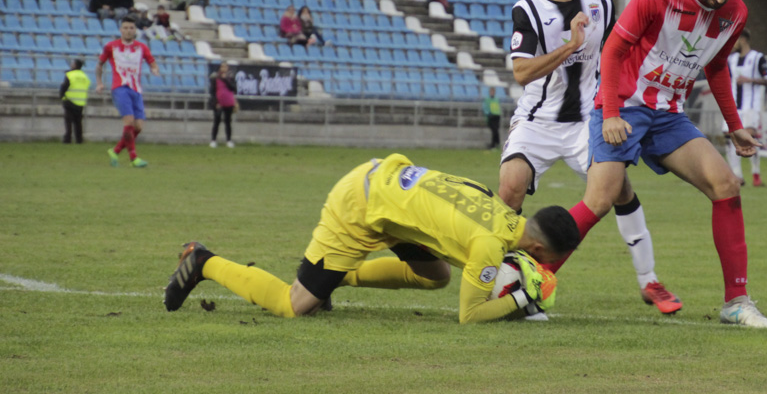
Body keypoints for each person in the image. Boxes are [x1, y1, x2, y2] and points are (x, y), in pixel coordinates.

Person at [550, 0, 767, 328]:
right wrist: (613, 113)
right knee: (600, 199)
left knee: (726, 185)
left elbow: (717, 67)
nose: (720, 0)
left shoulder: (736, 13)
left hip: (669, 114)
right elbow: (613, 51)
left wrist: (735, 127)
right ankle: (532, 276)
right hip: (624, 107)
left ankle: (736, 302)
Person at [163, 154, 579, 323]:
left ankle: (336, 278)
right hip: (360, 205)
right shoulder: (490, 246)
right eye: (546, 262)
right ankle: (203, 261)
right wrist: (524, 299)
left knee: (434, 274)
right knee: (295, 305)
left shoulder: (498, 208)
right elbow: (469, 316)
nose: (543, 267)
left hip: (389, 186)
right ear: (538, 250)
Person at [502, 0, 681, 315]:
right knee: (510, 188)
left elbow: (618, 54)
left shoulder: (601, 4)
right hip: (537, 120)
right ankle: (503, 283)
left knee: (619, 189)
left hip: (588, 118)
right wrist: (570, 46)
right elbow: (521, 73)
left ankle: (649, 281)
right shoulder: (528, 10)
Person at [96, 16, 159, 169]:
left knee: (138, 127)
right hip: (120, 88)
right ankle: (133, 158)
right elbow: (99, 65)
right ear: (120, 30)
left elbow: (151, 61)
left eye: (131, 28)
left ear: (135, 30)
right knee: (129, 122)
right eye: (125, 28)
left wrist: (154, 68)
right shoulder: (111, 46)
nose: (128, 30)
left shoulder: (142, 47)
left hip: (136, 89)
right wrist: (99, 83)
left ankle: (115, 150)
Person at [724, 29, 767, 186]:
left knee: (750, 138)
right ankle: (738, 176)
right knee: (729, 138)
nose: (733, 43)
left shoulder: (757, 58)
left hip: (751, 105)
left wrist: (749, 79)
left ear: (743, 39)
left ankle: (756, 174)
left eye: (736, 39)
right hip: (733, 106)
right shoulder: (731, 59)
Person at [60, 58, 90, 144]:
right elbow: (87, 85)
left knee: (68, 121)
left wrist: (62, 97)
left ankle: (67, 139)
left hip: (69, 100)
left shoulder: (70, 75)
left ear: (75, 65)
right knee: (78, 122)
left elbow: (64, 86)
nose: (71, 65)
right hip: (81, 102)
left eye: (72, 63)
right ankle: (79, 139)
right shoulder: (85, 76)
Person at [209, 61, 237, 148]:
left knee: (228, 122)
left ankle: (228, 140)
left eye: (225, 67)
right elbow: (212, 92)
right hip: (219, 103)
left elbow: (233, 88)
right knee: (217, 121)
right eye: (222, 67)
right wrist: (216, 102)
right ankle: (213, 140)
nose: (224, 69)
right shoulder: (215, 78)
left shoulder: (230, 78)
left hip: (228, 102)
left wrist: (226, 80)